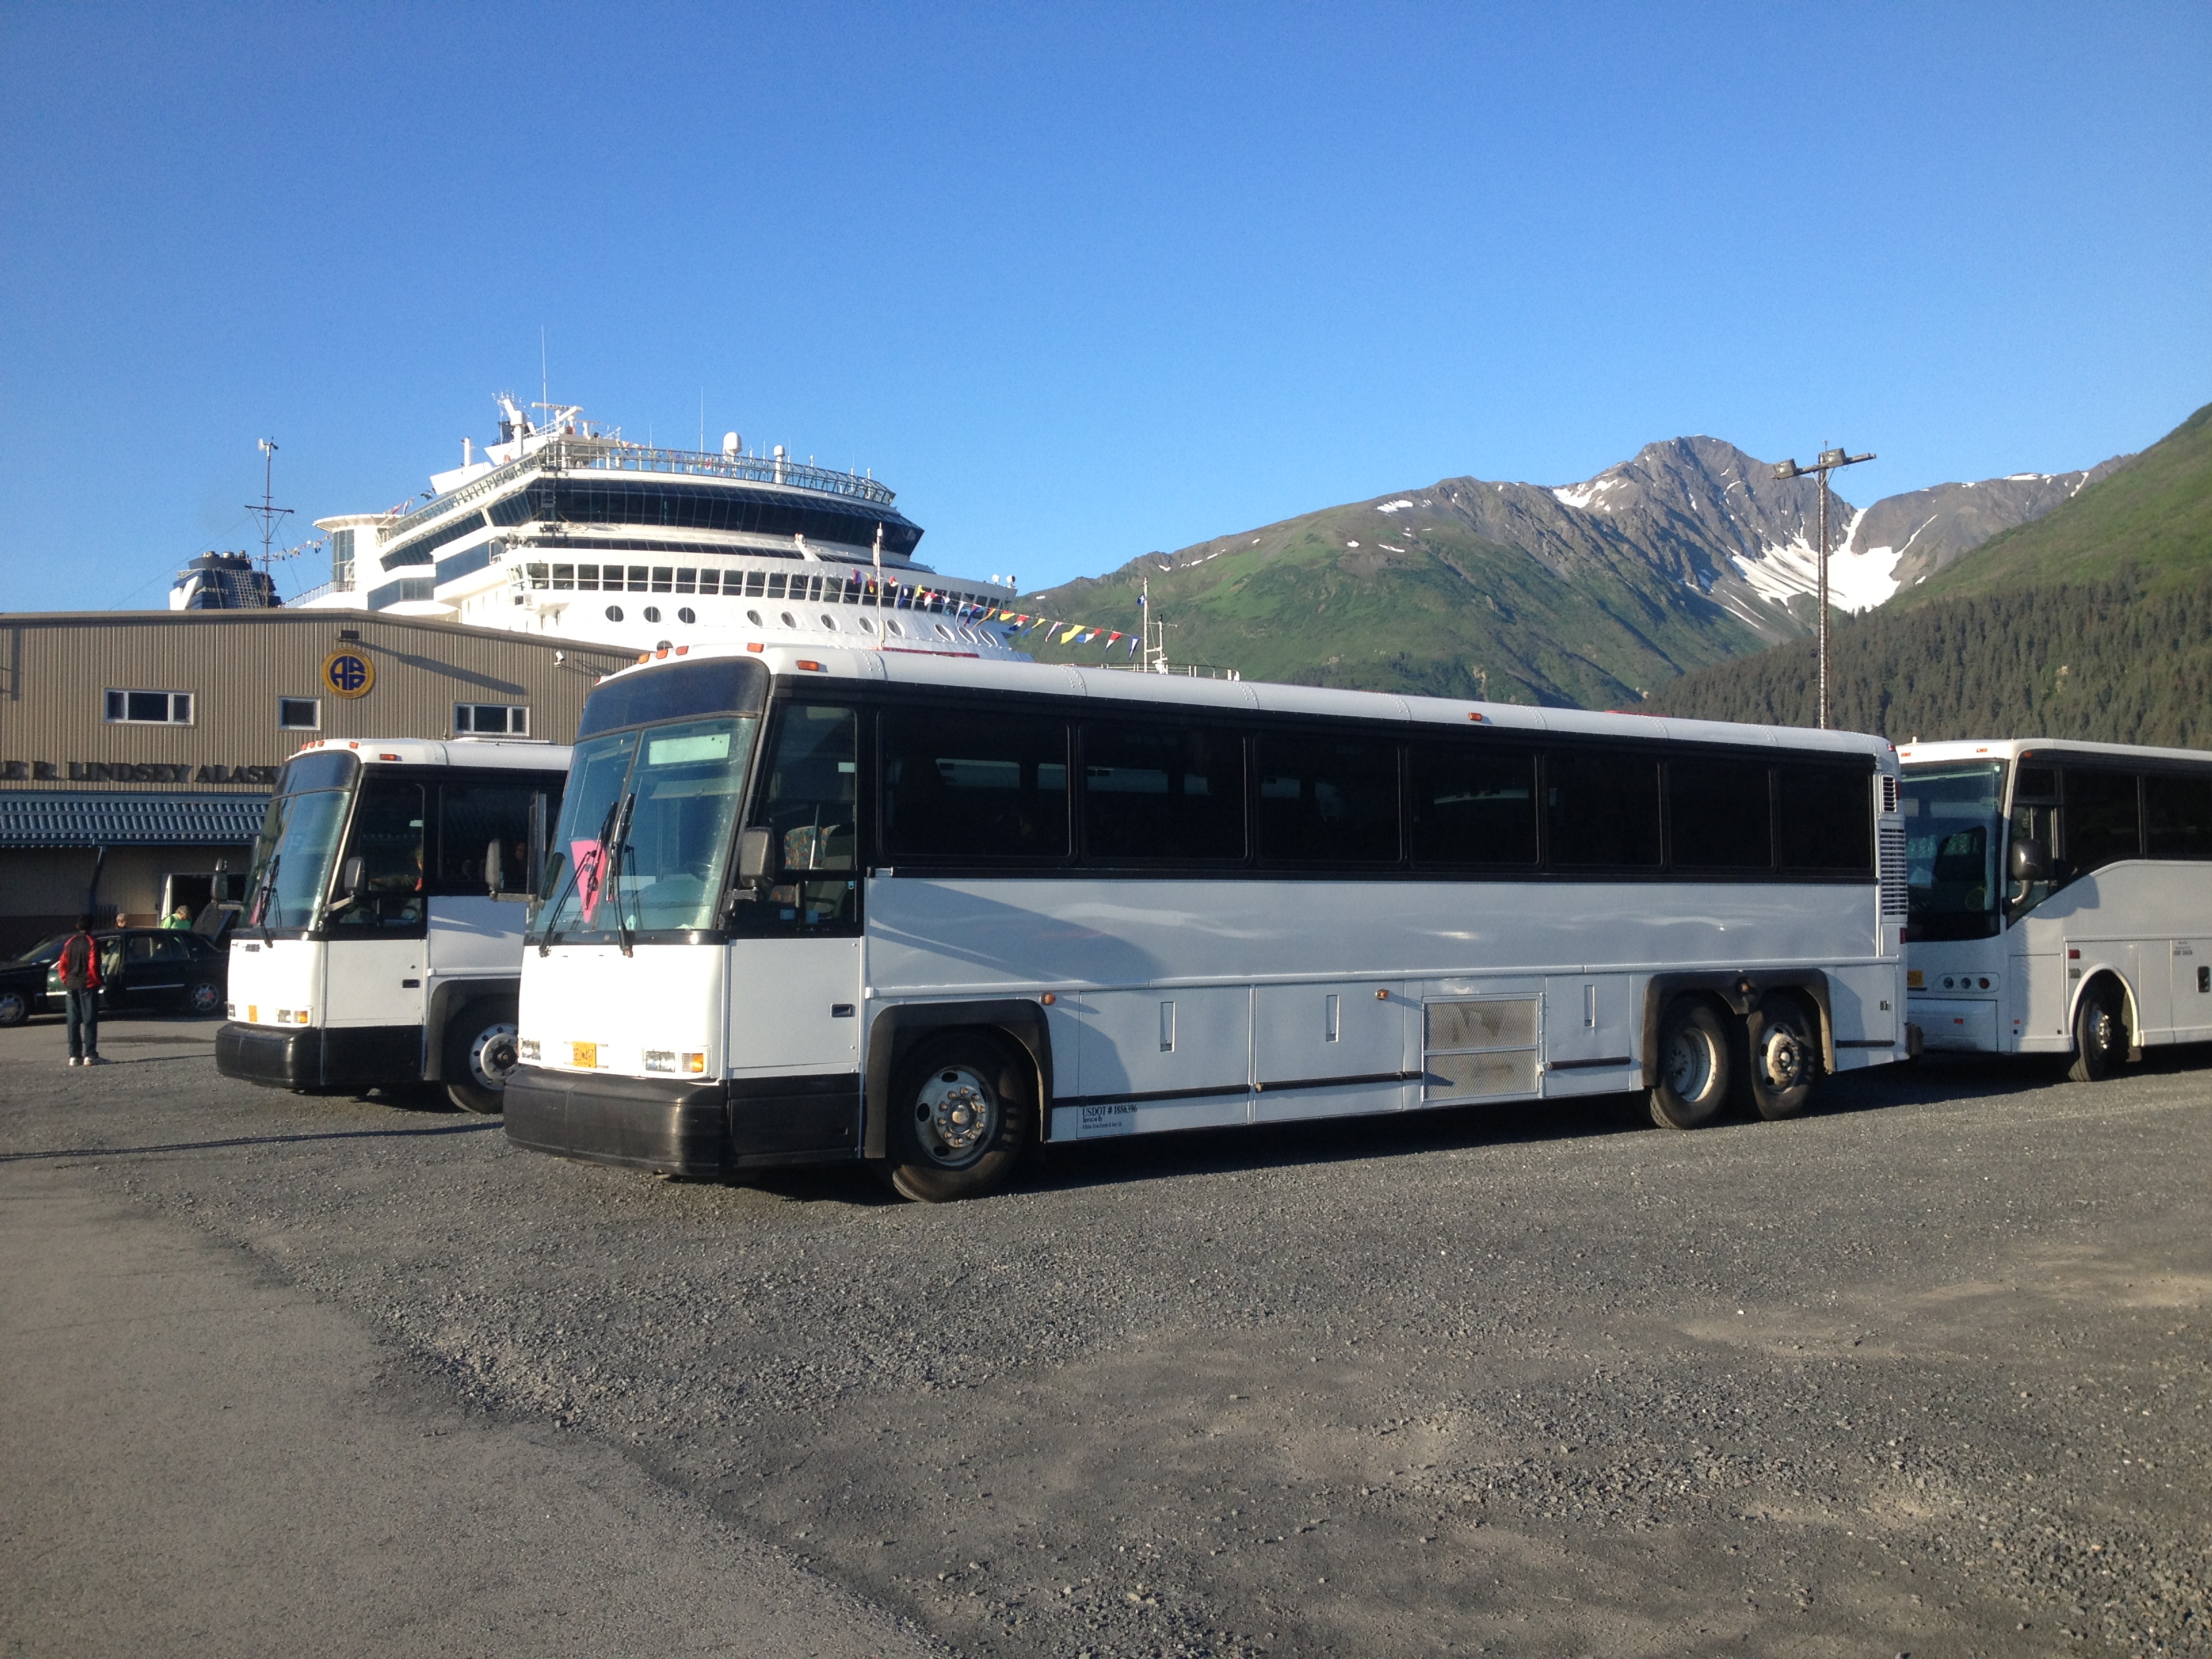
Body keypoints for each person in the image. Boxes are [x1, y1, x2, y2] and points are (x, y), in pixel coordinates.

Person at [57, 916, 104, 1067]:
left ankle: (74, 1055)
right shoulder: (92, 942)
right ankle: (90, 1055)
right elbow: (93, 965)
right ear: (91, 926)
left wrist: (66, 980)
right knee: (89, 1020)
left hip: (72, 984)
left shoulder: (69, 942)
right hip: (88, 984)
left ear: (78, 926)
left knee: (73, 1021)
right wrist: (97, 981)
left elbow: (62, 964)